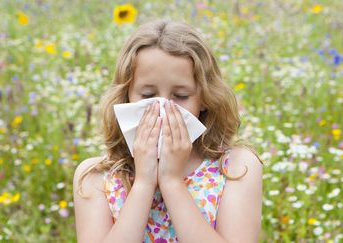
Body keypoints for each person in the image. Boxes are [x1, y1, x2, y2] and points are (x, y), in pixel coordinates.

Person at [73, 19, 263, 243]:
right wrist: (144, 183)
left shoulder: (236, 168)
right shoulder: (96, 178)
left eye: (181, 96)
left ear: (204, 98)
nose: (163, 108)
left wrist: (172, 182)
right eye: (147, 95)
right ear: (126, 96)